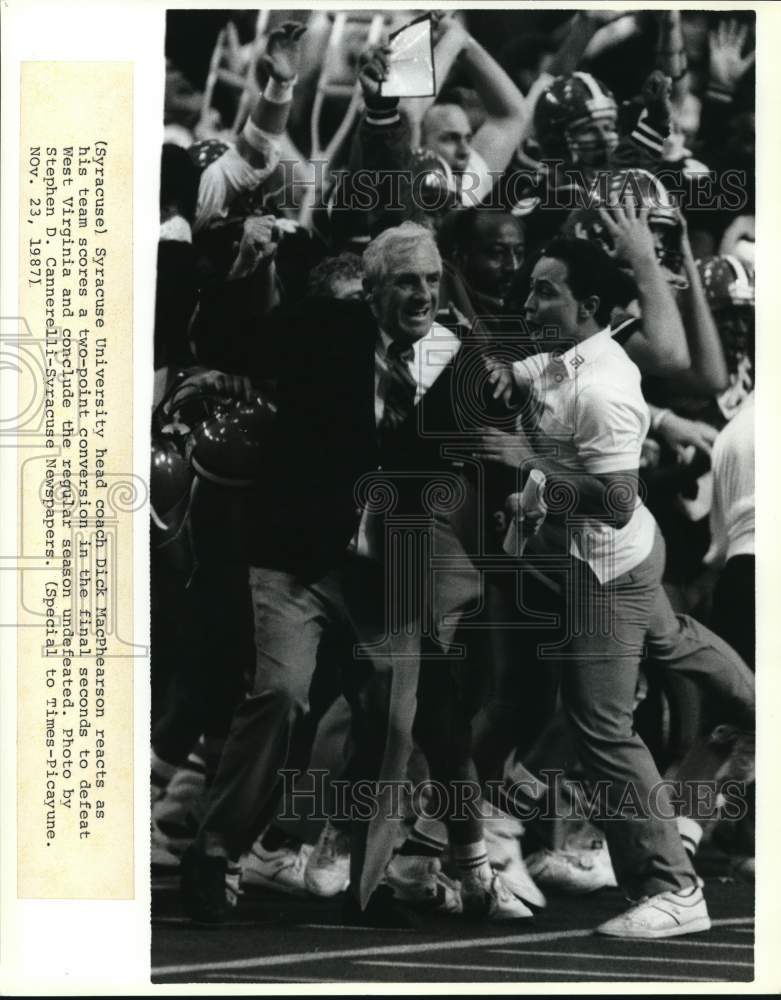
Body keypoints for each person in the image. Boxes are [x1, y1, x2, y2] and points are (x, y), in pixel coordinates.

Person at [181, 222, 528, 926]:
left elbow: (452, 448)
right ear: (371, 290)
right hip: (297, 559)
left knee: (401, 720)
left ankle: (376, 882)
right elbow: (225, 343)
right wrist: (247, 269)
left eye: (431, 281)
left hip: (392, 568)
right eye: (406, 281)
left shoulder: (456, 359)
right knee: (282, 695)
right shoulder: (322, 329)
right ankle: (216, 849)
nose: (422, 294)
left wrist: (505, 384)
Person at [477, 227, 713, 938]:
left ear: (588, 306)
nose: (528, 300)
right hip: (611, 559)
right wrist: (508, 375)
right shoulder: (566, 357)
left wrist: (526, 468)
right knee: (664, 654)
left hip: (606, 569)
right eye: (530, 286)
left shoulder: (605, 385)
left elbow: (612, 502)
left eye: (545, 290)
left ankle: (673, 888)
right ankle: (754, 703)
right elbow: (543, 377)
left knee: (603, 728)